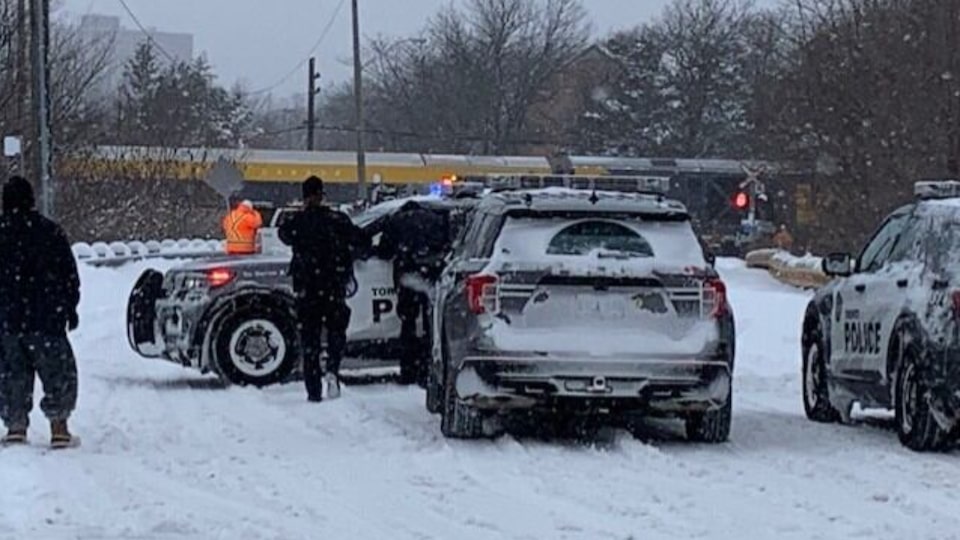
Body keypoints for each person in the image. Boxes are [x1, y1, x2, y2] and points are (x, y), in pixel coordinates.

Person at [0, 177, 81, 448]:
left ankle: (15, 427)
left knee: (12, 375)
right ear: (31, 200)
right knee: (58, 374)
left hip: (8, 322)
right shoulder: (50, 232)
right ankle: (59, 428)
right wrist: (70, 307)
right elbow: (69, 275)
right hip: (47, 319)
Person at [279, 177, 368, 402]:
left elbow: (283, 235)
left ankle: (313, 390)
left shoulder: (296, 222)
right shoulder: (337, 219)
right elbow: (360, 240)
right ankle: (332, 369)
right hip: (333, 286)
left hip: (307, 290)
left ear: (304, 196)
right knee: (337, 332)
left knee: (310, 340)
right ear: (322, 194)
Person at [377, 200, 450, 385]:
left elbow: (385, 251)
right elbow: (445, 246)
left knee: (408, 323)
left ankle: (408, 370)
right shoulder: (435, 220)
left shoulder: (396, 221)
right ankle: (428, 370)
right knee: (430, 325)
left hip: (407, 275)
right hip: (429, 277)